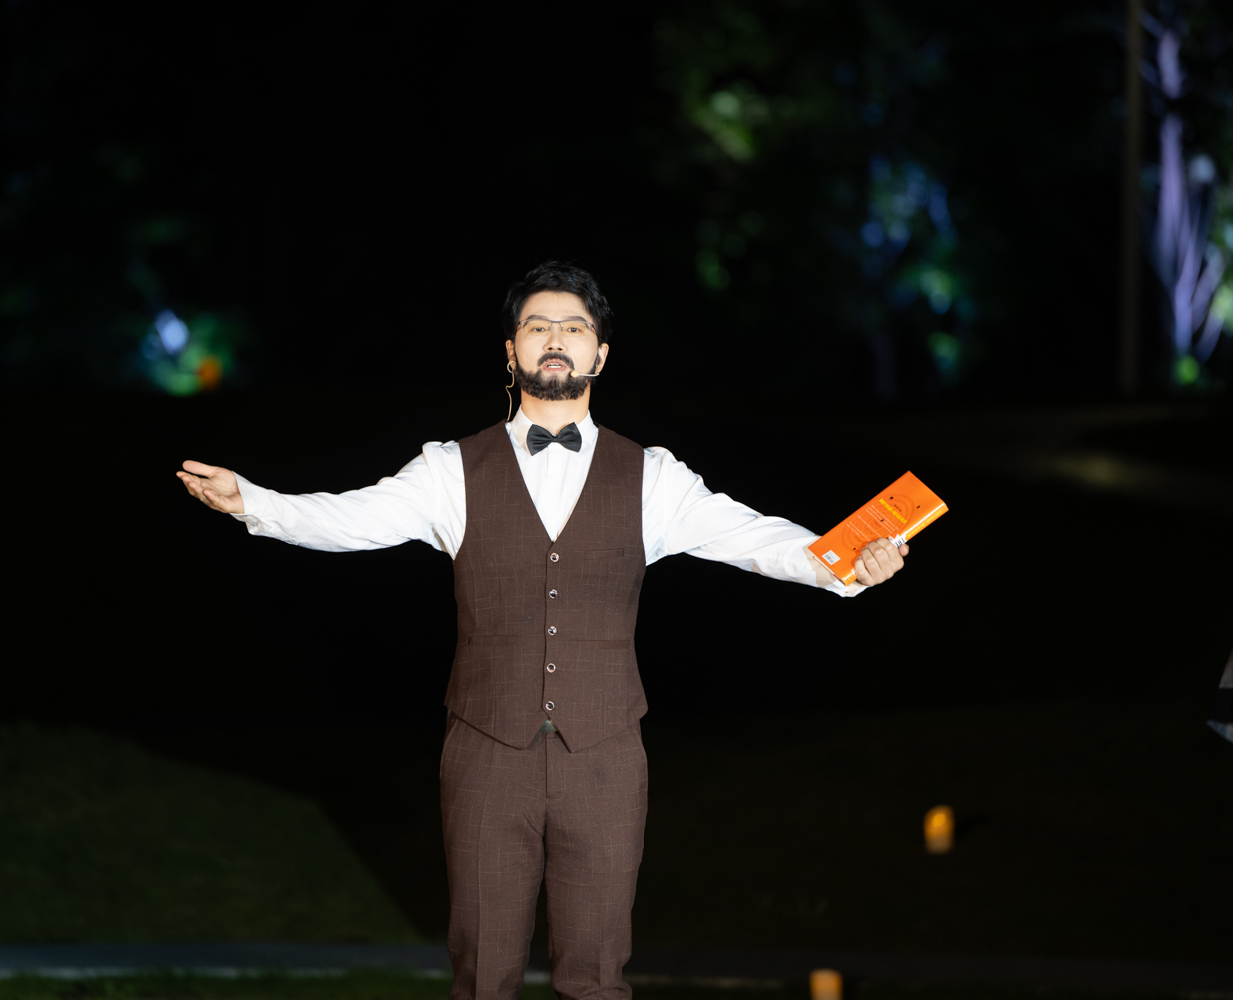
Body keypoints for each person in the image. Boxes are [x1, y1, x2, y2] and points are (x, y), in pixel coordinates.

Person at [176, 262, 909, 1000]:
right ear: (511, 351)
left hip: (606, 757)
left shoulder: (653, 476)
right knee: (482, 976)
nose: (555, 339)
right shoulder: (449, 470)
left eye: (574, 328)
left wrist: (851, 563)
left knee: (595, 977)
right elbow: (351, 517)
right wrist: (254, 501)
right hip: (485, 752)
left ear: (600, 355)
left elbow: (757, 537)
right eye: (537, 326)